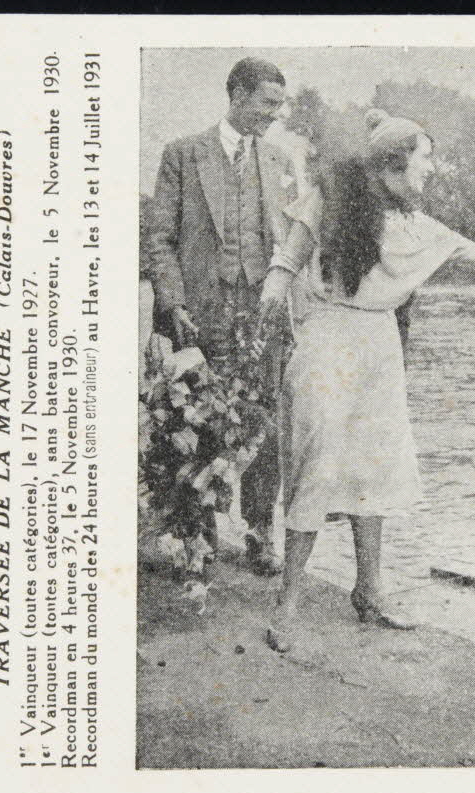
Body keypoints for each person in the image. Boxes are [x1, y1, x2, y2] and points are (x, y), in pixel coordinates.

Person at [262, 109, 475, 652]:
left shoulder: (417, 225)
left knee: (375, 465)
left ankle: (369, 591)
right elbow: (288, 257)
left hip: (380, 343)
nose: (430, 168)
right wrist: (273, 288)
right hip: (329, 338)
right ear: (394, 164)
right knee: (319, 463)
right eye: (424, 158)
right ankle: (287, 605)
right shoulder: (330, 199)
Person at [146, 57, 294, 574]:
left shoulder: (278, 160)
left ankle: (260, 532)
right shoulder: (184, 154)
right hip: (199, 314)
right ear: (237, 96)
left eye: (279, 104)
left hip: (261, 314)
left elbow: (291, 244)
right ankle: (198, 536)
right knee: (196, 422)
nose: (274, 114)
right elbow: (160, 240)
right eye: (267, 103)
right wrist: (174, 305)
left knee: (266, 425)